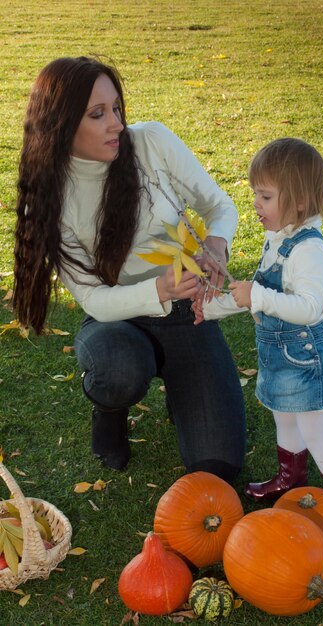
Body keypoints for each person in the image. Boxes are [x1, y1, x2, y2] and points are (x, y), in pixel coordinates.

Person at [12, 56, 246, 482]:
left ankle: (184, 387)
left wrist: (217, 242)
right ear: (61, 124)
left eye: (116, 108)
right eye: (98, 114)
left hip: (187, 313)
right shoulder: (48, 197)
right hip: (115, 320)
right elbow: (94, 298)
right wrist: (159, 288)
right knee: (118, 367)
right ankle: (110, 407)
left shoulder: (152, 141)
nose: (116, 123)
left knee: (218, 470)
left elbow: (219, 206)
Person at [194, 138, 323, 526]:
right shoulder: (279, 239)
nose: (256, 204)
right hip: (284, 359)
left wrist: (255, 294)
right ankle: (290, 480)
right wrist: (210, 308)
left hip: (310, 359)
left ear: (300, 201)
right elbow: (254, 295)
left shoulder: (309, 251)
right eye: (256, 194)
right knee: (284, 420)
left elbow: (306, 308)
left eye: (266, 196)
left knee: (316, 434)